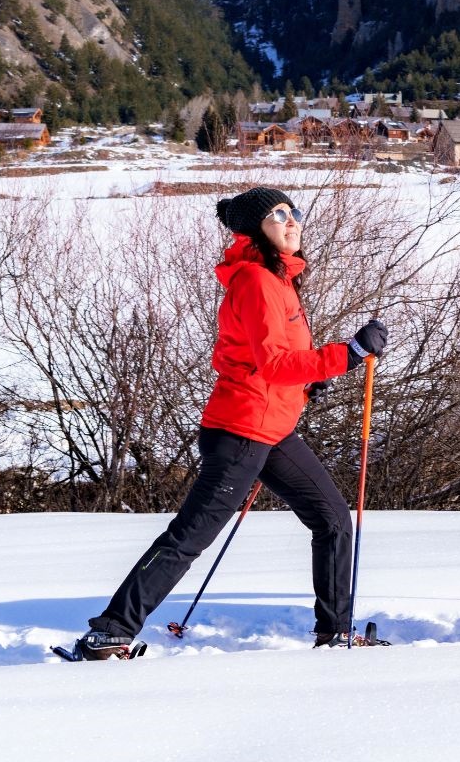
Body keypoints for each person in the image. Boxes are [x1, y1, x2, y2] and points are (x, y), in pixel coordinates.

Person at [71, 186, 388, 659]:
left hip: (271, 426)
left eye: (293, 212)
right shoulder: (257, 281)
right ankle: (112, 628)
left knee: (333, 519)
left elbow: (275, 361)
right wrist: (349, 354)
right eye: (277, 215)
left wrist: (310, 379)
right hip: (241, 430)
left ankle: (335, 631)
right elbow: (274, 364)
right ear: (256, 231)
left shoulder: (277, 280)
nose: (291, 221)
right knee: (191, 535)